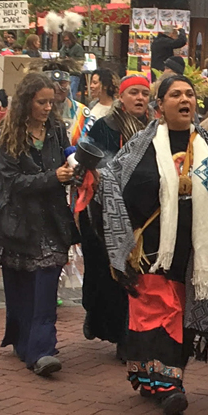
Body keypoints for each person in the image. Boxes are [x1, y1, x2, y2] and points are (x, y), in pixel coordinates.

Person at [98, 74, 208, 415]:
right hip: (151, 248)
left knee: (180, 314)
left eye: (189, 94)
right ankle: (170, 386)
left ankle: (157, 379)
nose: (184, 99)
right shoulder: (140, 145)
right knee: (157, 311)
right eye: (175, 95)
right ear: (160, 106)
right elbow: (112, 185)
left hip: (194, 250)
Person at [0, 73, 78, 376]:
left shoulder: (56, 128)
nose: (46, 108)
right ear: (27, 102)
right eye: (41, 102)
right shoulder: (9, 133)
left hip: (52, 220)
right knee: (21, 287)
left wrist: (75, 164)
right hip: (20, 223)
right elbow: (11, 182)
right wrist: (52, 177)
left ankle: (41, 349)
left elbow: (68, 155)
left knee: (45, 285)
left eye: (50, 103)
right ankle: (23, 340)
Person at [79, 75, 151, 352]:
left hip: (141, 212)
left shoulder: (154, 127)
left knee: (135, 274)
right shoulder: (104, 125)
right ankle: (102, 321)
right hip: (104, 209)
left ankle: (127, 336)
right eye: (134, 93)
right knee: (105, 274)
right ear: (122, 97)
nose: (140, 98)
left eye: (144, 93)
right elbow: (92, 161)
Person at [44, 67, 88, 145]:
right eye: (51, 83)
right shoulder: (34, 111)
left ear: (69, 84)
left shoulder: (82, 114)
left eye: (62, 83)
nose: (57, 88)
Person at [83, 68, 117, 136]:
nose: (91, 86)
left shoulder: (116, 109)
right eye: (91, 83)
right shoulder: (92, 104)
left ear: (105, 86)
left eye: (95, 83)